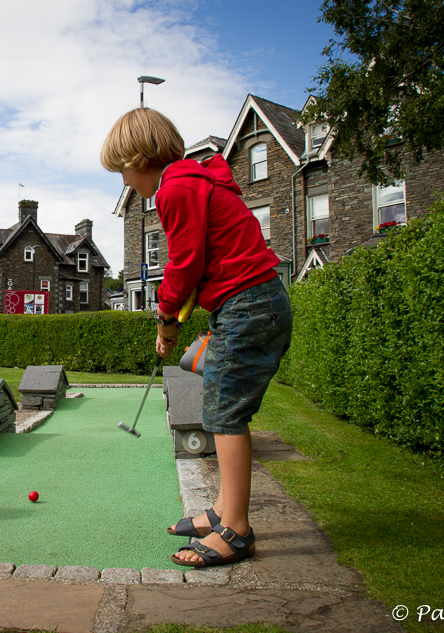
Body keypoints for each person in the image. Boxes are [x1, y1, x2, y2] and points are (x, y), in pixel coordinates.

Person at [101, 108, 293, 567]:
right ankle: (224, 510)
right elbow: (202, 260)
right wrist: (175, 316)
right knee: (222, 403)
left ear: (140, 157)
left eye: (123, 172)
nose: (127, 183)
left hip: (247, 302)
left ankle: (237, 532)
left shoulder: (176, 188)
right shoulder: (196, 181)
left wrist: (165, 317)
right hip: (247, 302)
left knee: (225, 413)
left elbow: (183, 263)